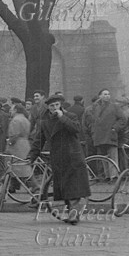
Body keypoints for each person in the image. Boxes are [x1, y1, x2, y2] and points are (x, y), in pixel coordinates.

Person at [28, 93, 90, 223]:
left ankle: (74, 214)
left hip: (72, 155)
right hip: (58, 157)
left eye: (57, 105)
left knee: (74, 187)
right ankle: (71, 212)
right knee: (64, 188)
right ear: (48, 107)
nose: (55, 107)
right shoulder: (45, 122)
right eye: (52, 106)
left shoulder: (70, 116)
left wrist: (63, 118)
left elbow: (76, 129)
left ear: (60, 105)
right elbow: (39, 141)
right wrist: (31, 157)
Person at [88, 88, 125, 179]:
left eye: (108, 94)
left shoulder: (115, 107)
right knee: (103, 157)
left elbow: (122, 119)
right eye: (104, 94)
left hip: (110, 135)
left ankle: (114, 175)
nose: (107, 96)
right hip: (99, 136)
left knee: (112, 156)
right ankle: (107, 175)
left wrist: (115, 128)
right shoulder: (94, 107)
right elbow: (91, 120)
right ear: (100, 96)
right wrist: (93, 130)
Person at [6, 103, 31, 190]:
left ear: (16, 110)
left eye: (12, 110)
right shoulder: (25, 119)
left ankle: (34, 187)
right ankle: (13, 186)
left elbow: (14, 135)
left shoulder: (15, 120)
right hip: (25, 144)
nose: (10, 111)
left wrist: (9, 143)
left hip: (17, 146)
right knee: (22, 166)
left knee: (17, 166)